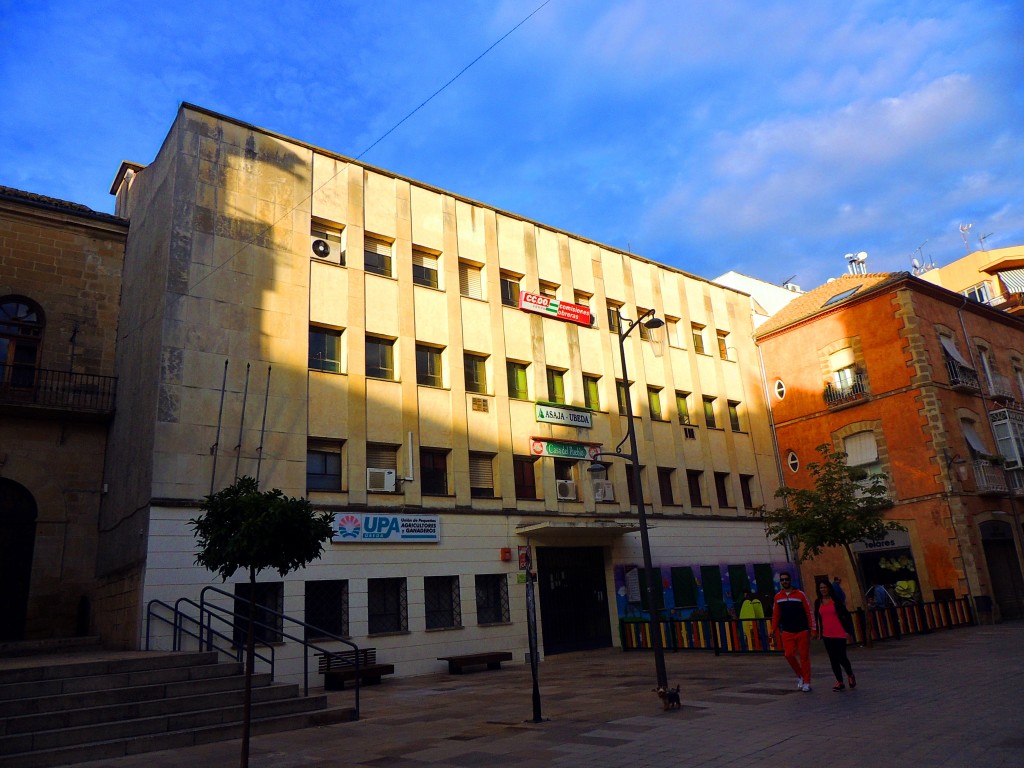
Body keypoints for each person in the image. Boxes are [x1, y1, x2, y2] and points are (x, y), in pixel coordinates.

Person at [772, 572, 815, 692]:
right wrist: (773, 628)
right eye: (782, 580)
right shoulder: (777, 597)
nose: (784, 581)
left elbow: (809, 611)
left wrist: (813, 628)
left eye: (786, 579)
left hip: (801, 630)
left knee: (804, 657)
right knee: (789, 654)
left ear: (790, 580)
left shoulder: (800, 595)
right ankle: (800, 675)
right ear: (780, 582)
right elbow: (776, 614)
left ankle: (806, 681)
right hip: (787, 631)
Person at [814, 580, 857, 692]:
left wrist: (848, 631)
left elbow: (846, 616)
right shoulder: (818, 602)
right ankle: (840, 681)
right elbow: (817, 618)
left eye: (824, 587)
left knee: (842, 657)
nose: (823, 590)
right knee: (833, 659)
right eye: (821, 588)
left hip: (839, 633)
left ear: (829, 588)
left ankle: (850, 675)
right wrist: (818, 632)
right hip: (827, 635)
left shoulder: (836, 602)